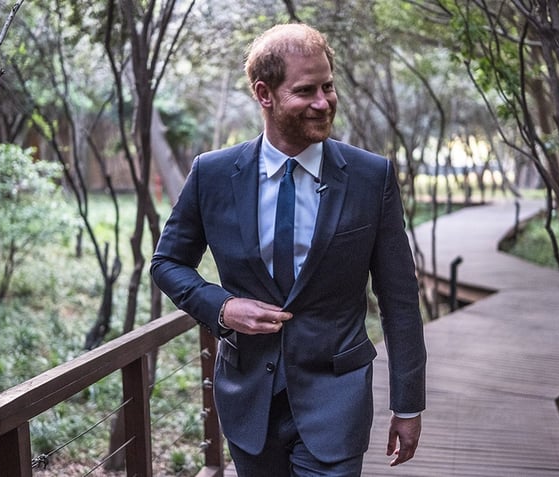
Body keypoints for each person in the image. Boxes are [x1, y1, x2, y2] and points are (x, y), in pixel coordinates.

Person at [151, 23, 426, 476]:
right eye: (305, 91)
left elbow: (399, 297)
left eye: (328, 87)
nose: (323, 102)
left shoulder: (370, 176)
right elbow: (167, 263)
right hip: (248, 403)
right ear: (264, 94)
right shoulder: (212, 175)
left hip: (336, 401)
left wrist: (408, 404)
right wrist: (223, 308)